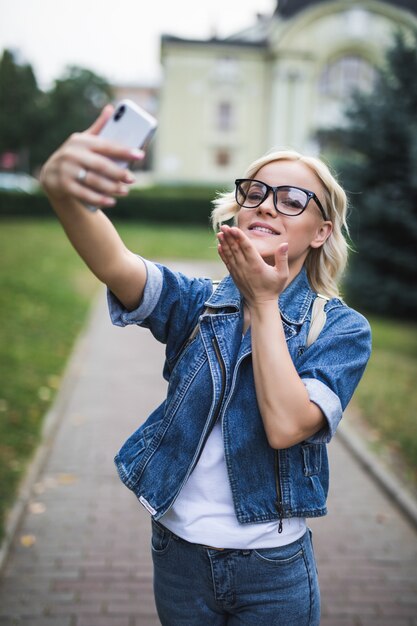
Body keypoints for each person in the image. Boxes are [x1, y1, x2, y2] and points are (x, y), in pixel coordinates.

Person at [40, 104, 372, 626]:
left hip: (272, 570)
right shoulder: (199, 304)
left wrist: (263, 303)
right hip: (179, 558)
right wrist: (64, 194)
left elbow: (287, 426)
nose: (266, 205)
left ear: (320, 231)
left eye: (291, 200)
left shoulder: (341, 330)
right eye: (255, 193)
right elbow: (116, 263)